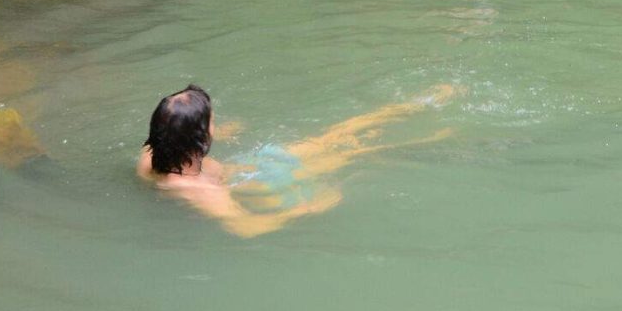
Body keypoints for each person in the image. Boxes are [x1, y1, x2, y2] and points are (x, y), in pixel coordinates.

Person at [138, 83, 453, 237]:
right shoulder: (203, 193)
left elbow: (171, 132)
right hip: (260, 179)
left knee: (329, 140)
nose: (217, 126)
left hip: (251, 168)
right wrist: (307, 209)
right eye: (213, 122)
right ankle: (432, 131)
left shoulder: (150, 158)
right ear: (197, 140)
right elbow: (247, 227)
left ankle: (401, 110)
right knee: (348, 152)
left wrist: (221, 132)